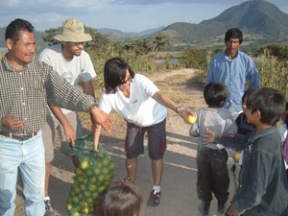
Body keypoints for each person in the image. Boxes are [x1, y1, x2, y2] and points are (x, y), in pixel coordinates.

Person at [0, 18, 111, 216]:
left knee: (35, 197)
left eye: (33, 44)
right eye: (26, 44)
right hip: (6, 143)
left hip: (33, 142)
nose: (32, 49)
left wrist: (93, 108)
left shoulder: (40, 70)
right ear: (10, 44)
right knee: (6, 201)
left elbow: (65, 91)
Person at [96, 57, 195, 207]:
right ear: (113, 81)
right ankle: (130, 185)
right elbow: (99, 120)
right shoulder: (108, 95)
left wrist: (179, 109)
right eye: (123, 81)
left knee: (156, 153)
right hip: (134, 123)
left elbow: (159, 95)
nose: (127, 83)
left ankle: (156, 189)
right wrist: (95, 146)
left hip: (156, 119)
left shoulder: (140, 80)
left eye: (129, 78)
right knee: (131, 152)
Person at [37, 18, 96, 214]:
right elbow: (48, 96)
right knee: (46, 157)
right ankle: (44, 199)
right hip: (45, 110)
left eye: (83, 41)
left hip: (69, 110)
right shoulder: (47, 57)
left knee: (77, 149)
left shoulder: (83, 56)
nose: (81, 45)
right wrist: (65, 124)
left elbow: (87, 86)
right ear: (64, 42)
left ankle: (83, 186)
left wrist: (93, 112)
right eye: (77, 42)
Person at [203, 88, 288, 216]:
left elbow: (257, 191)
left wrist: (238, 207)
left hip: (265, 208)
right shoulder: (264, 131)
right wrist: (216, 138)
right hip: (259, 199)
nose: (245, 109)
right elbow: (243, 142)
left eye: (248, 107)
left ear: (258, 114)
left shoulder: (262, 149)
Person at [189, 82, 236, 216]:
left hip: (203, 151)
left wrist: (202, 133)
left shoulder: (201, 112)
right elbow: (232, 134)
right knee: (221, 179)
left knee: (204, 178)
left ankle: (205, 207)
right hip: (220, 152)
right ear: (222, 101)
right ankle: (221, 206)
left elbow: (192, 133)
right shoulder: (226, 114)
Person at [206, 28, 260, 119]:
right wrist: (211, 102)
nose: (232, 45)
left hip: (239, 105)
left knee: (239, 131)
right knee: (219, 131)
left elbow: (255, 80)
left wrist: (250, 99)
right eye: (230, 42)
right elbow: (209, 82)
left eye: (235, 42)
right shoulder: (216, 60)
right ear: (226, 42)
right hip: (220, 104)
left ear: (240, 43)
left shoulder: (246, 60)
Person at [231, 88, 256, 194]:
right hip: (238, 157)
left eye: (248, 104)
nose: (244, 106)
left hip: (251, 160)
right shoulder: (240, 117)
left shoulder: (258, 123)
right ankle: (238, 198)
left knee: (251, 182)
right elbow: (234, 132)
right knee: (238, 180)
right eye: (243, 102)